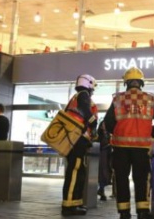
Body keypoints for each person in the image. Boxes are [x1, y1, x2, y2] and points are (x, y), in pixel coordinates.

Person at [104, 67, 154, 219]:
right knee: (141, 179)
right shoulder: (149, 99)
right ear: (141, 82)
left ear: (126, 82)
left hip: (120, 147)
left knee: (121, 179)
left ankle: (124, 212)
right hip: (141, 148)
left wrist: (120, 130)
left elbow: (108, 123)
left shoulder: (118, 99)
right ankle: (142, 211)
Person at [60, 75, 98, 216]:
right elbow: (86, 111)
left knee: (78, 171)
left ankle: (75, 203)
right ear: (89, 85)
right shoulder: (83, 95)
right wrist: (93, 123)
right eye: (93, 87)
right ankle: (68, 205)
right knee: (75, 170)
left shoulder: (75, 97)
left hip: (75, 138)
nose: (93, 90)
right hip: (77, 139)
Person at [97, 121, 112, 202]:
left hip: (108, 156)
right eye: (103, 125)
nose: (104, 126)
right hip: (102, 155)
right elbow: (99, 144)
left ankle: (101, 190)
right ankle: (101, 190)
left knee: (106, 173)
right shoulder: (99, 134)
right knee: (102, 173)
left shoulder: (109, 134)